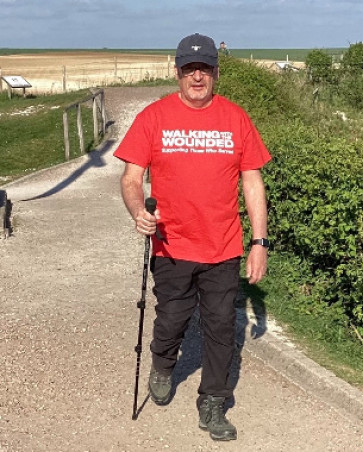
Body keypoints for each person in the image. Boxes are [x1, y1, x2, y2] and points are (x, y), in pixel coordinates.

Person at [115, 32, 271, 441]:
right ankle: (162, 364)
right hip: (172, 244)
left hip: (223, 247)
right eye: (189, 69)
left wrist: (260, 242)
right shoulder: (153, 117)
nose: (197, 77)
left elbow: (252, 181)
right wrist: (138, 212)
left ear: (216, 73)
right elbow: (132, 178)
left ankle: (214, 401)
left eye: (204, 69)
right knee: (172, 319)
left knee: (222, 326)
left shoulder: (236, 118)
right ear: (177, 72)